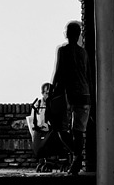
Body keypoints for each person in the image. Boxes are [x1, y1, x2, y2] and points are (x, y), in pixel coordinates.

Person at [51, 20, 91, 175]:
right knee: (78, 130)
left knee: (61, 129)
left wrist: (53, 92)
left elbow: (59, 72)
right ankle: (77, 158)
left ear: (68, 34)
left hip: (69, 94)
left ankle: (77, 156)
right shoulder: (84, 53)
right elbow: (88, 76)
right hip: (85, 94)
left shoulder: (63, 51)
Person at [27, 82, 53, 172]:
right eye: (46, 93)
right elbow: (33, 117)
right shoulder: (38, 104)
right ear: (42, 93)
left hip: (49, 129)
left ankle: (47, 161)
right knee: (38, 147)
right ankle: (42, 161)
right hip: (39, 129)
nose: (48, 96)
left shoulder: (53, 104)